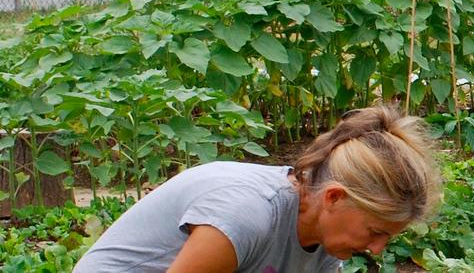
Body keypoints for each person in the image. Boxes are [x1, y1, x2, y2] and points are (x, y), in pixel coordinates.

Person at [74, 106, 441, 272]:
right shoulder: (246, 214)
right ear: (334, 197)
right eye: (376, 232)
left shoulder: (327, 246)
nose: (377, 249)